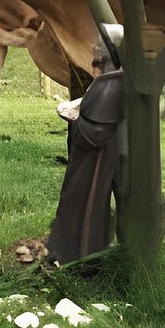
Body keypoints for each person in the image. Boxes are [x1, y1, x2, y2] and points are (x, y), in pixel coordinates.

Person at [46, 24, 124, 265]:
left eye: (100, 44)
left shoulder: (110, 85)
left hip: (94, 164)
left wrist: (73, 118)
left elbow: (96, 134)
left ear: (111, 50)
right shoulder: (111, 81)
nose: (94, 48)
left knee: (82, 206)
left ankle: (78, 259)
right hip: (96, 161)